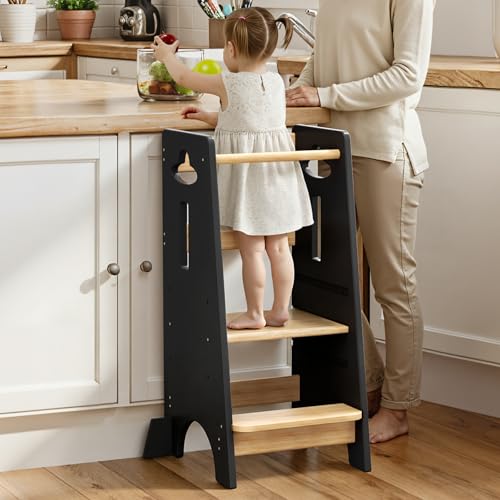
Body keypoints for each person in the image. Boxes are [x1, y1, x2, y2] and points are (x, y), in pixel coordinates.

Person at [286, 0, 435, 443]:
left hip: (385, 150)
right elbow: (325, 54)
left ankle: (398, 408)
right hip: (336, 145)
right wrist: (297, 91)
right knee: (323, 276)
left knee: (394, 285)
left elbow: (407, 75)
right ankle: (369, 383)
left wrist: (325, 96)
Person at [152, 7, 313, 330]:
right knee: (279, 248)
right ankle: (280, 309)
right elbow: (253, 121)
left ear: (230, 49)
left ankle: (254, 313)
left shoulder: (228, 82)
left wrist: (167, 55)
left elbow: (183, 78)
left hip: (249, 184)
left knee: (251, 250)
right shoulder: (276, 82)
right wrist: (213, 118)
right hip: (278, 180)